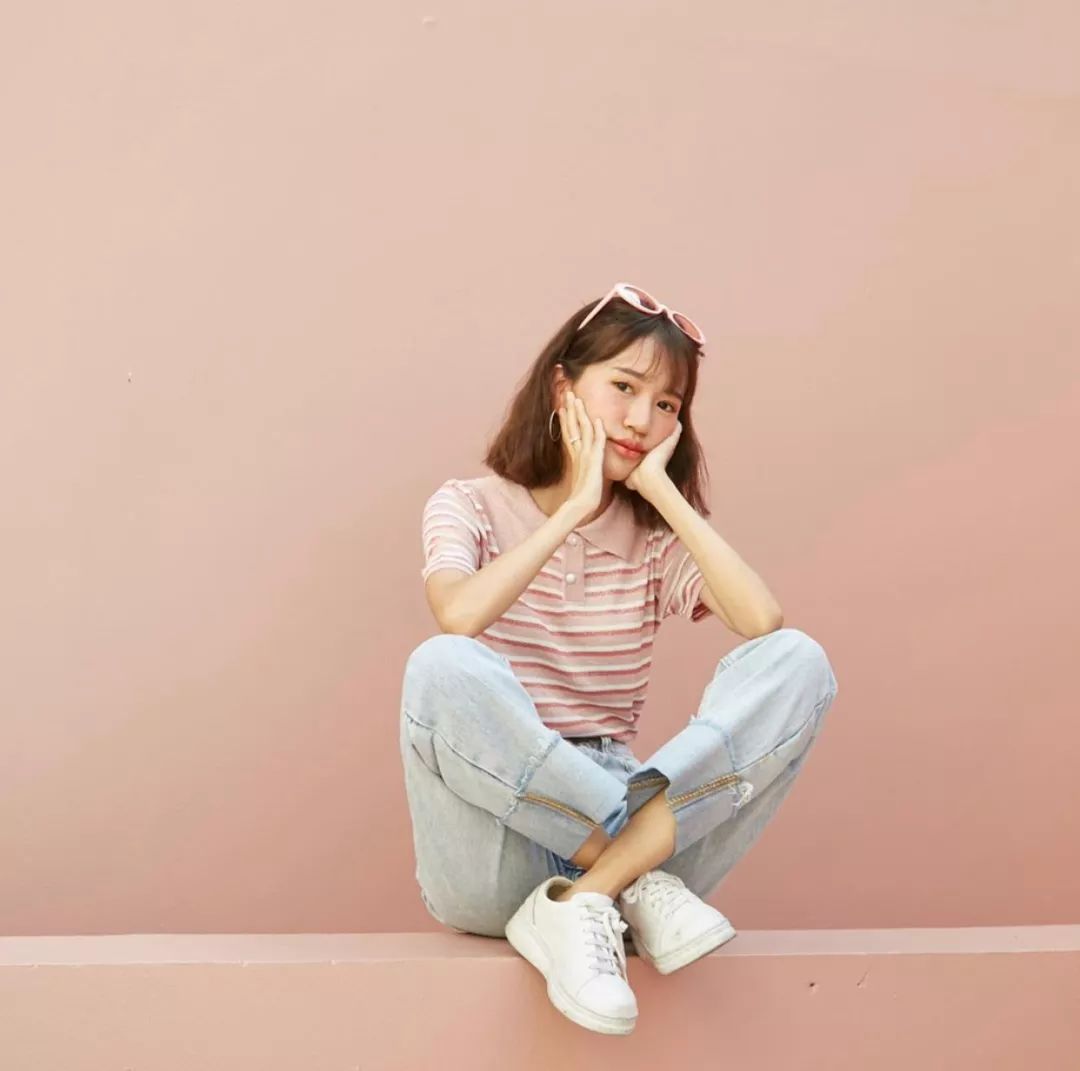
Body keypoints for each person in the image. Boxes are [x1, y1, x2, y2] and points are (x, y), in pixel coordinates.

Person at [399, 282, 839, 1036]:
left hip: (629, 816)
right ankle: (627, 870)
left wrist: (661, 493)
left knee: (798, 660)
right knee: (442, 665)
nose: (642, 420)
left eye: (667, 404)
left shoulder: (653, 541)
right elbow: (460, 614)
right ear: (562, 387)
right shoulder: (467, 506)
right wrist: (573, 507)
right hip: (496, 849)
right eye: (625, 388)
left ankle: (591, 895)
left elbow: (760, 619)